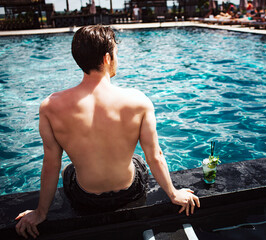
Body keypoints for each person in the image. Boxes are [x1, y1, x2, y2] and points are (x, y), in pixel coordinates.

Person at [15, 25, 200, 239]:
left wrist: (40, 212)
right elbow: (155, 156)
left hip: (85, 197)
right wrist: (173, 193)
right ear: (107, 58)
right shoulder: (138, 101)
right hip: (129, 190)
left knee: (68, 168)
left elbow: (50, 164)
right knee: (137, 158)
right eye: (116, 53)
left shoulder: (49, 106)